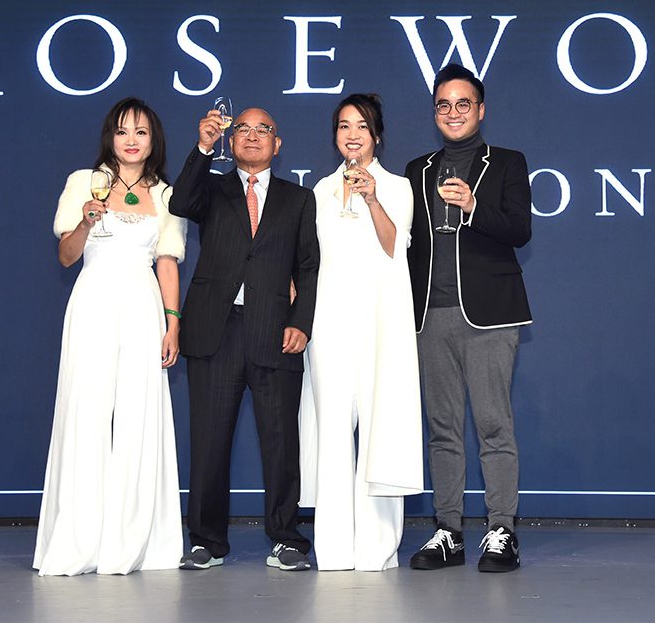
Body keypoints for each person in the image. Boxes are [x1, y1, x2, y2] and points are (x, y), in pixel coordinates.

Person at [33, 97, 187, 576]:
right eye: (123, 131)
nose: (132, 140)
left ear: (153, 139)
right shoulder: (84, 181)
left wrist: (173, 321)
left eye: (141, 132)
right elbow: (65, 256)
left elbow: (166, 261)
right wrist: (85, 219)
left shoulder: (166, 194)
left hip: (143, 308)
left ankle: (133, 540)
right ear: (110, 137)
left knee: (140, 417)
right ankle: (80, 541)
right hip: (93, 304)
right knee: (88, 414)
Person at [170, 106, 319, 572]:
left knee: (280, 441)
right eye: (243, 130)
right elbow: (178, 203)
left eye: (263, 130)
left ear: (278, 144)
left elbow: (309, 266)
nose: (252, 137)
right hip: (215, 329)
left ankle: (286, 538)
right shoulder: (211, 189)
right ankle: (206, 539)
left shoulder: (299, 199)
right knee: (210, 442)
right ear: (231, 143)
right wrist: (202, 147)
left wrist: (301, 321)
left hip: (276, 332)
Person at [405, 64, 533, 573]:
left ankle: (502, 529)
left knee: (493, 424)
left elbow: (519, 230)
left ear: (480, 110)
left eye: (463, 103)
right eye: (443, 104)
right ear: (434, 112)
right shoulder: (416, 169)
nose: (453, 112)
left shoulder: (506, 162)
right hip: (429, 316)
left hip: (489, 315)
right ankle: (448, 530)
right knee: (441, 429)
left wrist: (475, 205)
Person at [298, 94, 423, 571]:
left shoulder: (398, 186)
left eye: (362, 126)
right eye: (344, 126)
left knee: (378, 428)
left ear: (376, 135)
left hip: (380, 322)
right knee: (332, 430)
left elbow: (395, 247)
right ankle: (332, 547)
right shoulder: (320, 193)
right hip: (329, 323)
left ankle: (376, 547)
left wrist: (372, 197)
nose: (353, 134)